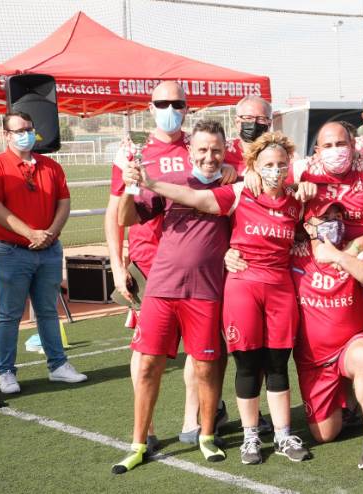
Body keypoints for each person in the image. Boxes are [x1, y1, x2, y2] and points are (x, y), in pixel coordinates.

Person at [127, 131, 311, 465]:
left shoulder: (296, 200)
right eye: (269, 164)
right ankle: (250, 437)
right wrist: (150, 183)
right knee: (247, 363)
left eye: (282, 164)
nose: (276, 170)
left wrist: (308, 189)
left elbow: (313, 223)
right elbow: (194, 197)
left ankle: (283, 435)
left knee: (277, 363)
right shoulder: (240, 192)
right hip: (242, 287)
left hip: (280, 290)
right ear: (254, 165)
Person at [104, 81, 235, 454]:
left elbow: (230, 179)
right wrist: (117, 264)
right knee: (146, 354)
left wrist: (228, 166)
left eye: (177, 103)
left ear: (187, 107)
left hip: (200, 269)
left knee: (201, 353)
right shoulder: (134, 150)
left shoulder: (202, 146)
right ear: (150, 107)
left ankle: (194, 422)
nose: (170, 109)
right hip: (150, 265)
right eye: (162, 103)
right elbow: (117, 213)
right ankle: (145, 431)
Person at [284, 121, 363, 445]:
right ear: (317, 150)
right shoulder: (304, 169)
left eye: (342, 144)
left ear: (353, 145)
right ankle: (346, 402)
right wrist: (290, 189)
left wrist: (350, 250)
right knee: (324, 433)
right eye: (328, 146)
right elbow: (267, 180)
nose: (336, 151)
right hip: (320, 259)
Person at [0, 111, 87, 394]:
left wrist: (49, 233)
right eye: (19, 130)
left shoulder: (51, 166)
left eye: (28, 128)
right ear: (6, 135)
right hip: (11, 251)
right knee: (9, 314)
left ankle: (58, 365)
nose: (26, 134)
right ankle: (5, 371)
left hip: (48, 249)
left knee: (48, 311)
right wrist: (31, 233)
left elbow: (64, 202)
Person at [291, 201, 363, 470]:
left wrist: (340, 257)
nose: (334, 221)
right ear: (308, 226)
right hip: (314, 360)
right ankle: (350, 405)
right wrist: (232, 254)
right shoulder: (294, 253)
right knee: (324, 434)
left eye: (337, 215)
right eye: (325, 217)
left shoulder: (355, 249)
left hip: (351, 344)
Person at [224, 95, 273, 176]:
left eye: (261, 118)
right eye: (248, 118)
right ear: (237, 122)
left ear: (269, 124)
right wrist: (221, 166)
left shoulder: (278, 154)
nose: (254, 122)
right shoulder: (223, 151)